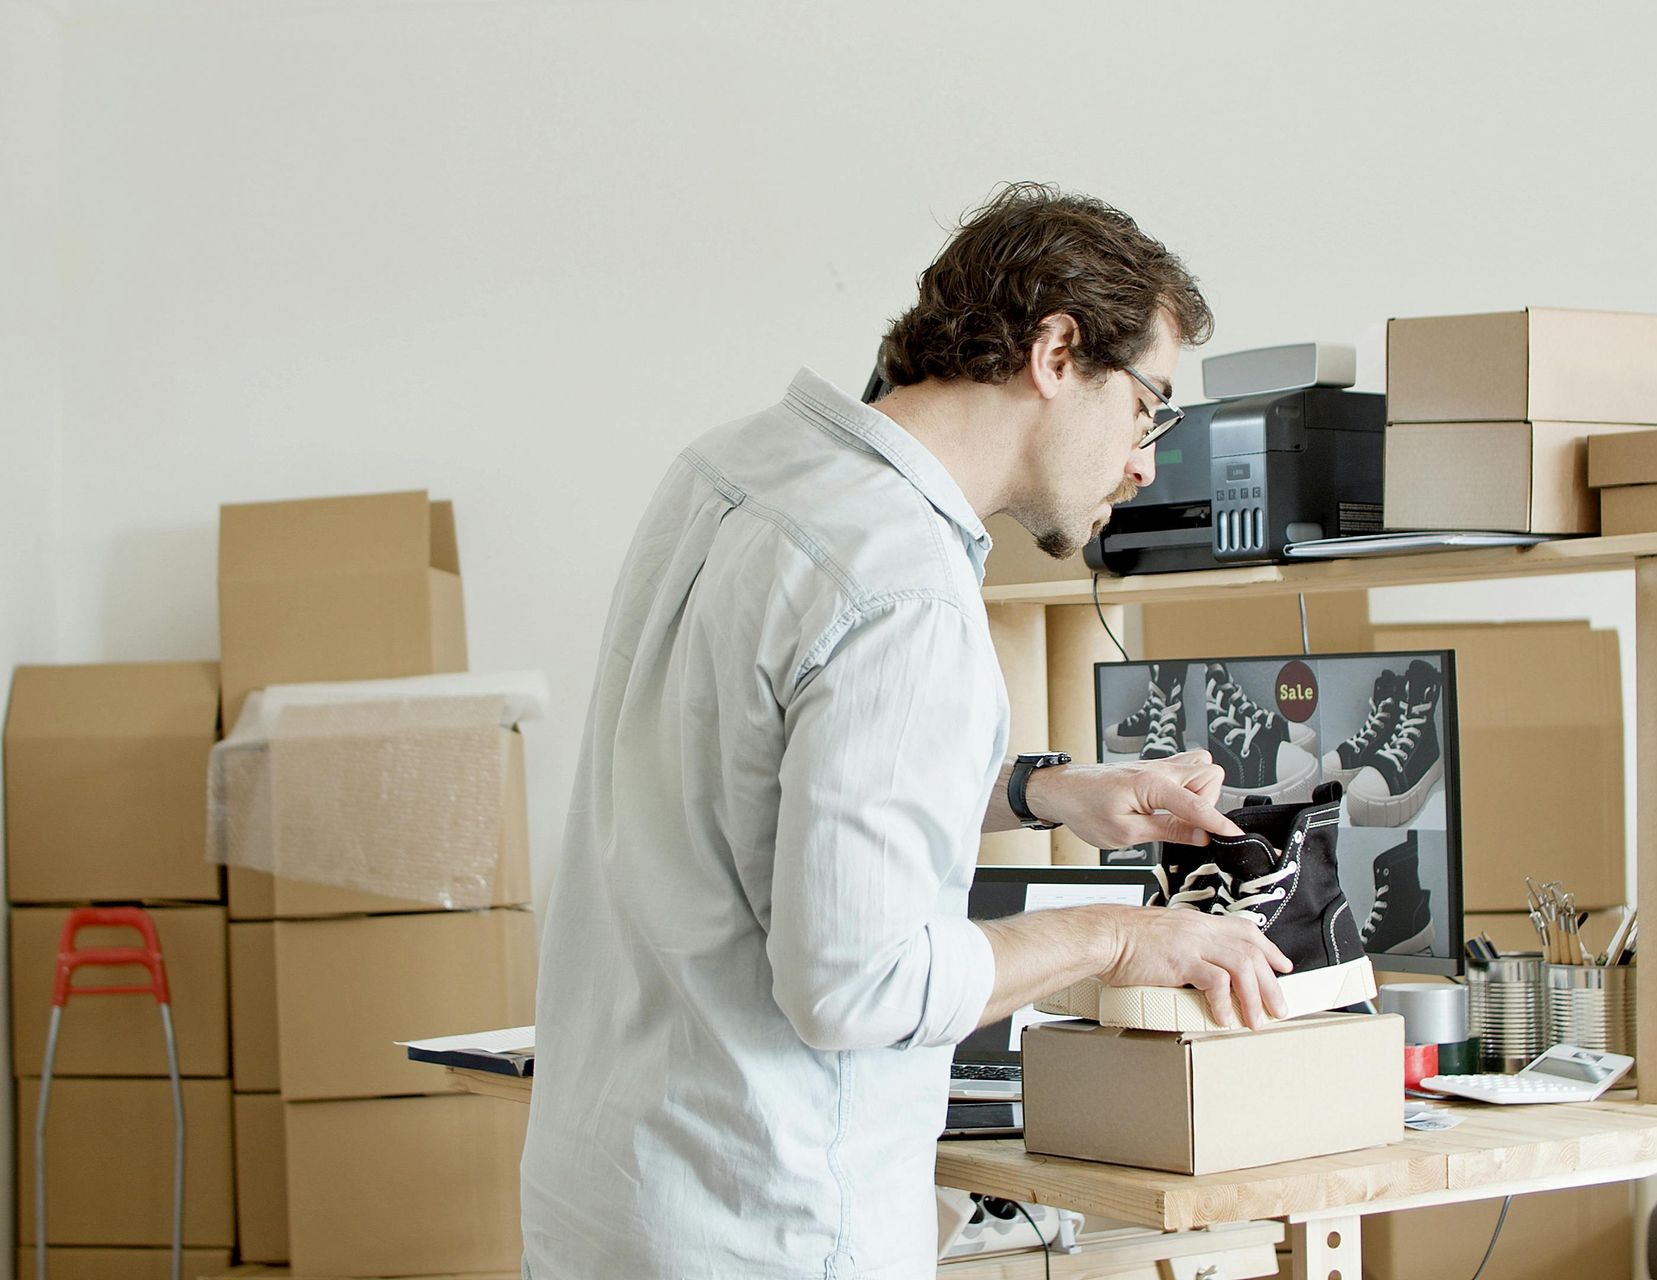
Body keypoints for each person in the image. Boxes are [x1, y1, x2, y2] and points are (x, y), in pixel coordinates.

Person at [520, 183, 1294, 1279]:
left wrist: (1040, 791)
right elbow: (856, 982)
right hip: (765, 1222)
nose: (1146, 460)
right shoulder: (905, 591)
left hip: (608, 1195)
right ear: (1058, 350)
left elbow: (750, 775)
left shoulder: (731, 469)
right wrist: (1119, 935)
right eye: (1149, 406)